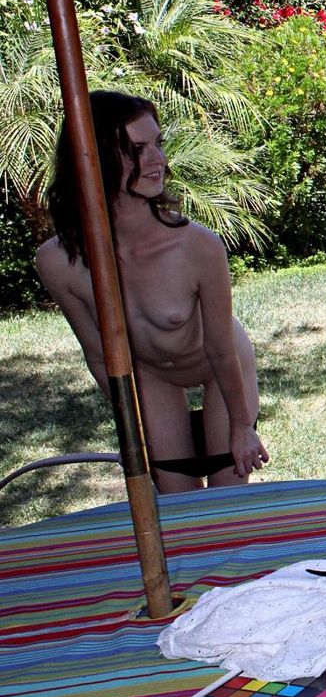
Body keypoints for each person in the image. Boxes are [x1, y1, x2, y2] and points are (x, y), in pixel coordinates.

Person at [35, 90, 269, 494]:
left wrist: (241, 426)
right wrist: (134, 433)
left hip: (220, 365)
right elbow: (99, 356)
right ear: (92, 158)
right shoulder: (58, 262)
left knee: (227, 502)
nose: (158, 159)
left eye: (157, 144)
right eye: (137, 149)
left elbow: (219, 348)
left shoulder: (197, 246)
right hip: (152, 375)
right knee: (177, 504)